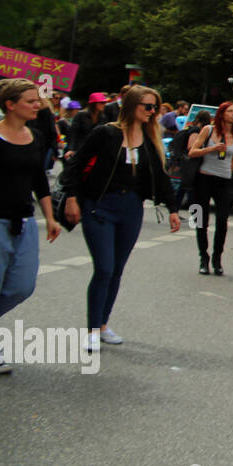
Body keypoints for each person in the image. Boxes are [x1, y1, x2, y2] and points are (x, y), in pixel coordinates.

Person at [61, 86, 181, 351]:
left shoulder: (151, 140)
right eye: (147, 106)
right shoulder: (106, 133)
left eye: (155, 108)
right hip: (99, 205)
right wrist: (71, 197)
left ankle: (103, 325)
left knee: (116, 270)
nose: (152, 112)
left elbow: (160, 177)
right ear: (131, 106)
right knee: (103, 268)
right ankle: (92, 329)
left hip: (131, 208)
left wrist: (173, 209)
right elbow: (76, 164)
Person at [0, 80, 62, 373]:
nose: (38, 105)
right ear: (10, 105)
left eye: (37, 100)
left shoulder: (35, 137)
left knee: (22, 287)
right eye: (31, 100)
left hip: (24, 223)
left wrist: (50, 217)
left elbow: (39, 182)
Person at [189, 102, 233, 276]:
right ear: (222, 114)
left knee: (222, 220)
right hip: (204, 178)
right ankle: (203, 257)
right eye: (230, 111)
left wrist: (229, 172)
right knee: (200, 219)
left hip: (223, 181)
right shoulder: (208, 130)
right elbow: (192, 152)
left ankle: (217, 258)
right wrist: (212, 148)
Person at [66, 92, 108, 159]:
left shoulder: (103, 117)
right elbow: (73, 133)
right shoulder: (81, 115)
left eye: (104, 102)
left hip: (95, 151)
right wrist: (71, 149)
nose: (104, 105)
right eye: (101, 102)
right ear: (93, 104)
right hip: (79, 149)